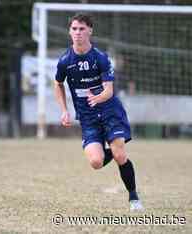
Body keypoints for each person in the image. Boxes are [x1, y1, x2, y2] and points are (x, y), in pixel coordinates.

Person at [54, 13, 144, 211]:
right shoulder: (64, 61)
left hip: (110, 112)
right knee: (96, 162)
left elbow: (109, 91)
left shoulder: (100, 58)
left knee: (121, 157)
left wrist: (97, 97)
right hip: (87, 118)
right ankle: (113, 147)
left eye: (82, 29)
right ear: (69, 31)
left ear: (90, 31)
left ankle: (134, 198)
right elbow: (58, 83)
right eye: (74, 29)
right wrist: (64, 110)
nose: (78, 33)